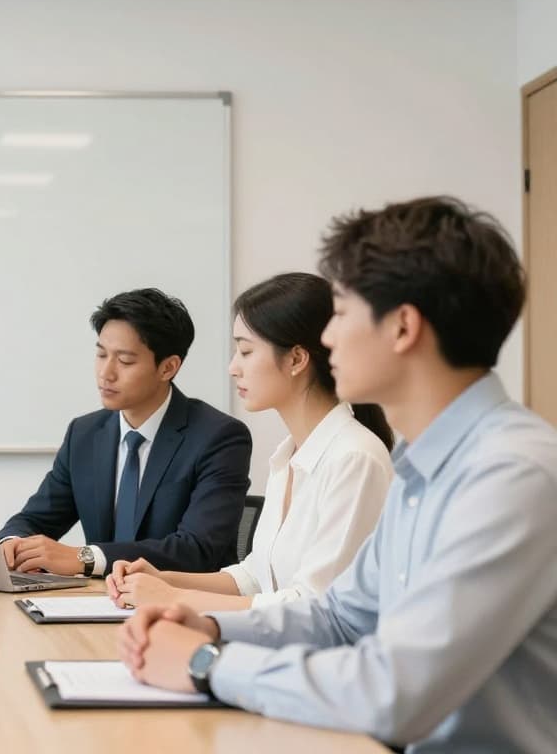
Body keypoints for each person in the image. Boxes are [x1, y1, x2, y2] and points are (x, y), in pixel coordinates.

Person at [119, 196, 557, 752]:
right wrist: (210, 625)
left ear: (403, 328)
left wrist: (208, 663)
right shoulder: (422, 468)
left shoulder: (511, 476)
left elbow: (395, 694)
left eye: (342, 313)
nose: (326, 339)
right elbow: (338, 617)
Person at [108, 273, 393, 611]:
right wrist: (164, 579)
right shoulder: (288, 456)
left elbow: (315, 607)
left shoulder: (354, 458)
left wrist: (174, 598)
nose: (233, 368)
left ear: (296, 359)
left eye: (245, 351)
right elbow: (255, 577)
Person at [0, 288, 252, 576]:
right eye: (101, 354)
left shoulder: (219, 437)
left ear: (168, 367)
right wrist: (12, 542)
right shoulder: (84, 433)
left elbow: (196, 549)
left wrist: (86, 557)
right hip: (96, 604)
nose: (106, 373)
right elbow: (35, 519)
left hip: (181, 608)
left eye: (125, 361)